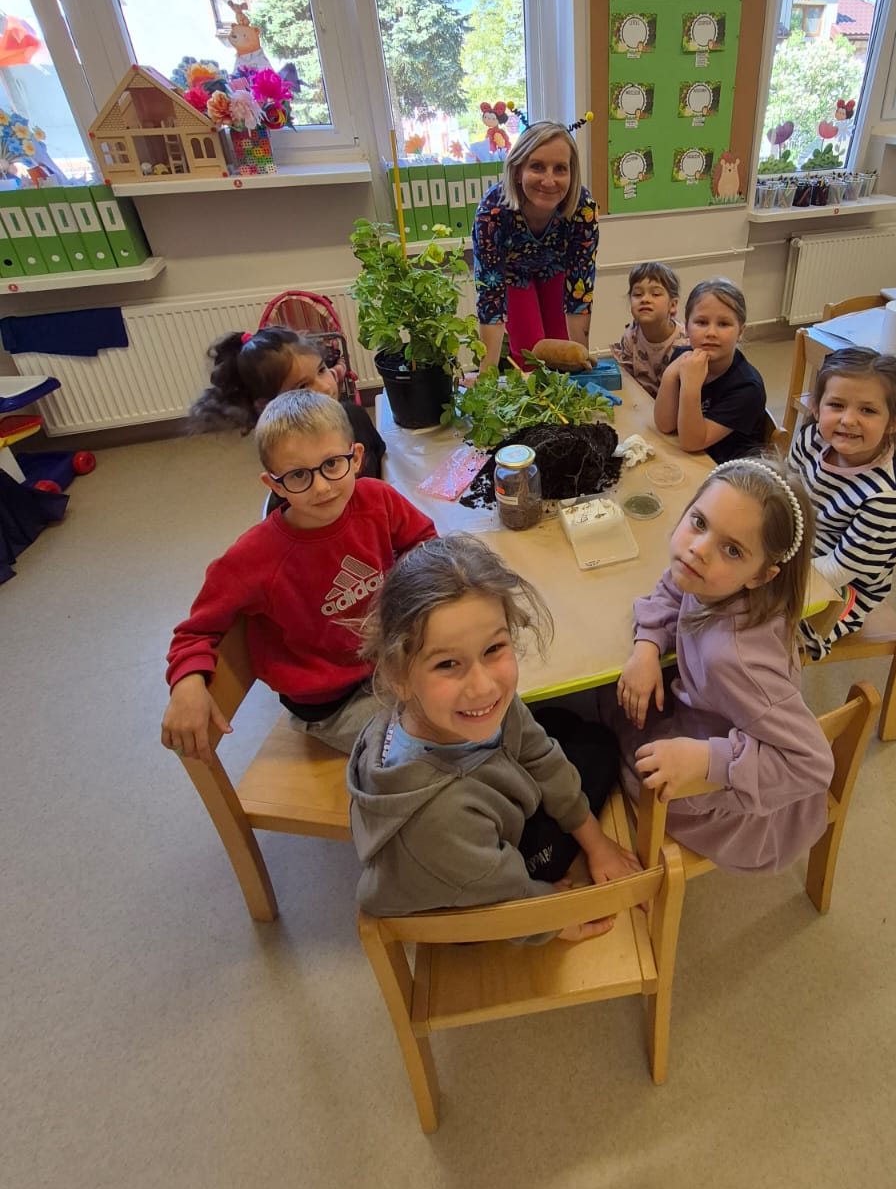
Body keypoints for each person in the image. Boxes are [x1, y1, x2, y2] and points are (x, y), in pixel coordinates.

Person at [347, 535, 641, 942]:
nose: (483, 686)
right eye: (448, 664)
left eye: (493, 649)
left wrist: (597, 844)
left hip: (475, 823)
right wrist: (551, 920)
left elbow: (538, 750)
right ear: (398, 676)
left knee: (564, 726)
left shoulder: (460, 706)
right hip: (467, 882)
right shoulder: (441, 818)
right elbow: (497, 902)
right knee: (602, 751)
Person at [162, 391, 436, 763]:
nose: (321, 487)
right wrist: (187, 682)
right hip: (333, 705)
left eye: (332, 464)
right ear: (274, 484)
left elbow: (423, 541)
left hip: (391, 661)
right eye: (298, 475)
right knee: (432, 743)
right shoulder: (253, 558)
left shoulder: (378, 499)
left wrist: (407, 600)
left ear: (356, 458)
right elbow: (195, 632)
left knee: (474, 694)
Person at [605, 454, 835, 873]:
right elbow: (673, 589)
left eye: (732, 549)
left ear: (762, 575)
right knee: (612, 697)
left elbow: (812, 764)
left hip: (725, 786)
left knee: (607, 725)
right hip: (706, 726)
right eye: (699, 522)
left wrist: (705, 760)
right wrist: (647, 647)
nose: (698, 550)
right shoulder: (713, 581)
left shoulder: (733, 658)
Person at [786, 347, 896, 660]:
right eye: (836, 405)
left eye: (868, 411)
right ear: (817, 408)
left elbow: (839, 570)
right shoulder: (813, 438)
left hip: (840, 591)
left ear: (894, 422)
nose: (848, 420)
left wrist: (771, 576)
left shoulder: (891, 496)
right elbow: (784, 494)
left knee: (748, 633)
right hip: (793, 552)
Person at [190, 325, 387, 506]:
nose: (326, 387)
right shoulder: (287, 459)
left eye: (321, 370)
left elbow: (383, 465)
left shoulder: (354, 415)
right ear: (268, 404)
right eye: (303, 386)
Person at [471, 118, 599, 371]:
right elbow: (490, 300)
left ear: (572, 174)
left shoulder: (582, 209)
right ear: (518, 171)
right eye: (537, 167)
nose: (549, 181)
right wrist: (487, 373)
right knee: (532, 357)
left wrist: (582, 365)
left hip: (555, 267)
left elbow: (580, 291)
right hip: (513, 273)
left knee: (563, 355)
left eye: (560, 169)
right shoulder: (493, 212)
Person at [655, 278, 766, 464]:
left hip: (730, 471)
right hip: (694, 460)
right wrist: (669, 376)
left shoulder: (747, 388)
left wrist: (691, 387)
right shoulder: (682, 357)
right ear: (686, 328)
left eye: (723, 324)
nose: (711, 333)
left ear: (740, 332)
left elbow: (692, 443)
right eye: (701, 322)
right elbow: (665, 425)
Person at [611, 260, 690, 396]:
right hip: (640, 400)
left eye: (655, 294)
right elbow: (626, 380)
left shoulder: (684, 343)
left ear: (672, 305)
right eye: (637, 294)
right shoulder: (631, 335)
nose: (645, 299)